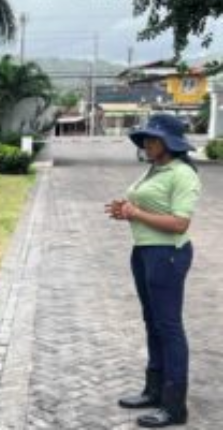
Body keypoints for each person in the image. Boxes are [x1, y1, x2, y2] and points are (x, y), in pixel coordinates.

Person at [106, 114, 201, 428]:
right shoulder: (155, 168)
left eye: (153, 138)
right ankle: (154, 390)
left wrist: (135, 212)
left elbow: (180, 223)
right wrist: (126, 210)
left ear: (169, 143)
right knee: (152, 322)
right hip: (144, 252)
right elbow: (147, 207)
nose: (146, 143)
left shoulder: (183, 173)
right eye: (145, 138)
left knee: (169, 327)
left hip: (167, 255)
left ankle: (174, 407)